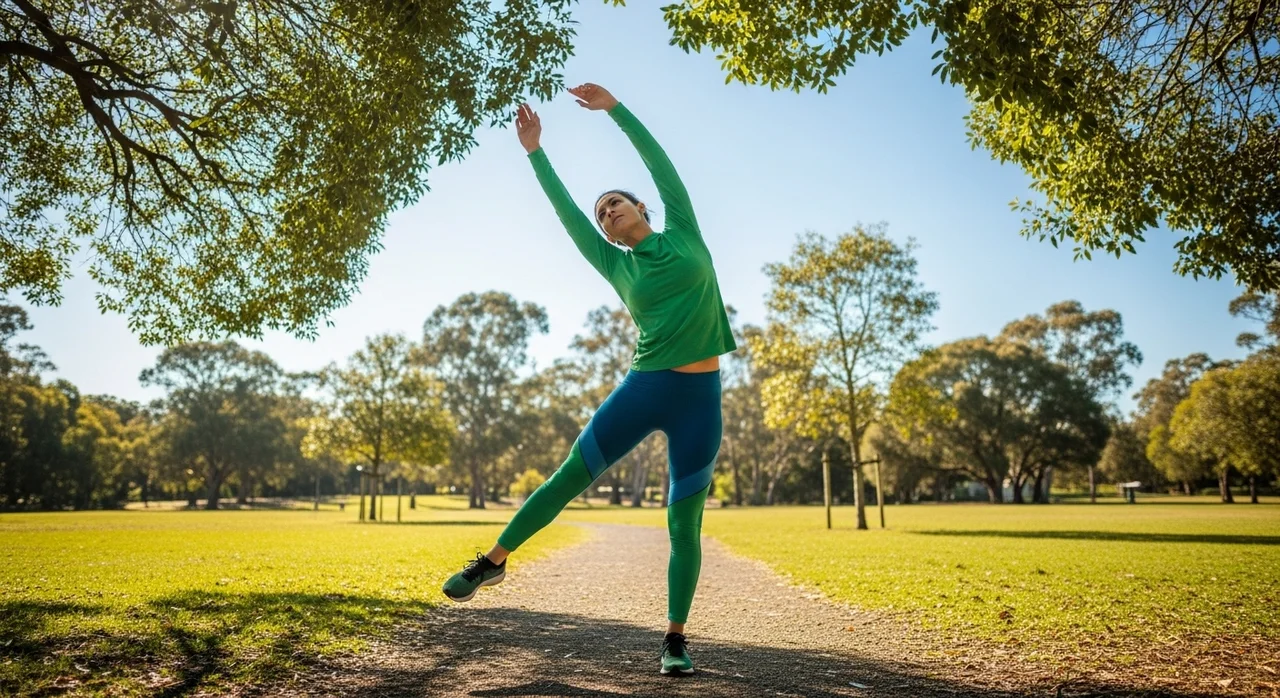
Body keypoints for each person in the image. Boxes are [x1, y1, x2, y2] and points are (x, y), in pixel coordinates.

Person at [441, 82, 736, 677]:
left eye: (615, 203)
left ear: (642, 209)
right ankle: (492, 561)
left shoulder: (683, 230)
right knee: (567, 477)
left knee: (684, 523)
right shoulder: (613, 261)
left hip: (699, 399)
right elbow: (565, 211)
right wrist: (535, 151)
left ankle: (675, 639)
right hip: (646, 385)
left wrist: (615, 110)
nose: (607, 212)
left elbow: (660, 161)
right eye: (602, 213)